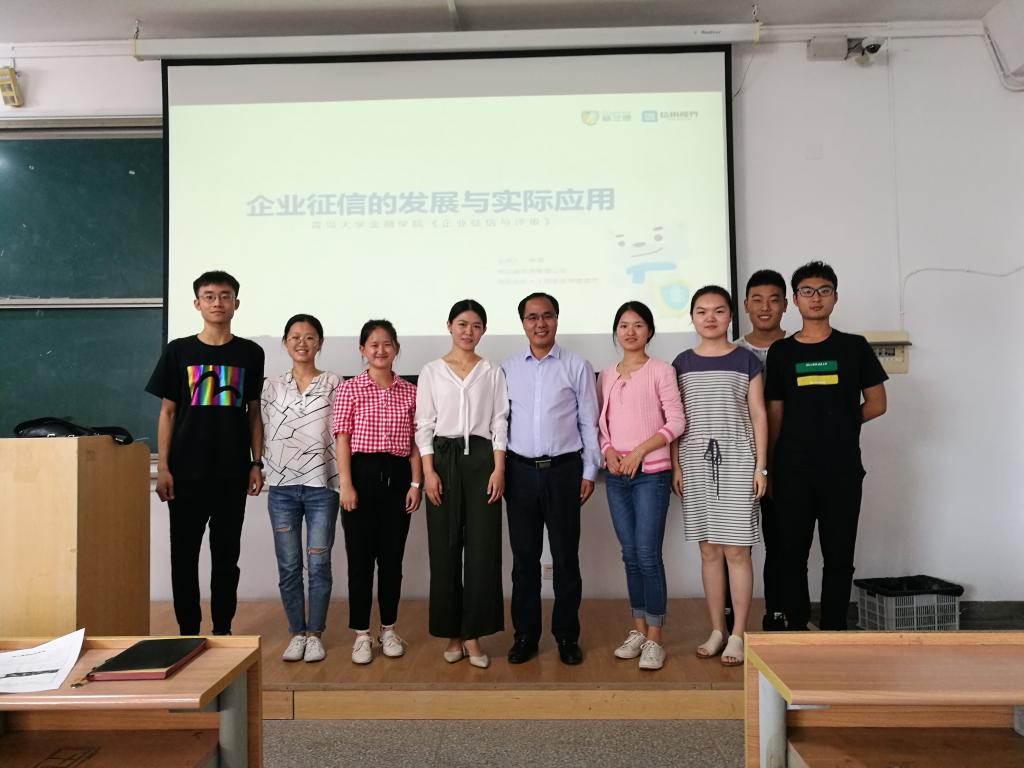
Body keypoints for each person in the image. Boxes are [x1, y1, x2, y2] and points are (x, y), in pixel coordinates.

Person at [766, 261, 888, 631]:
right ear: (795, 300)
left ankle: (834, 629)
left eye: (824, 291)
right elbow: (775, 413)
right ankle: (798, 627)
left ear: (835, 297)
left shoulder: (854, 347)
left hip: (842, 470)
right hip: (792, 470)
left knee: (839, 556)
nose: (815, 298)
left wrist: (842, 424)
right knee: (791, 555)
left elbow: (877, 403)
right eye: (807, 291)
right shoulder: (782, 352)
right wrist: (768, 466)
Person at [146, 270, 264, 636]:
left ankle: (223, 629)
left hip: (232, 472)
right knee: (184, 557)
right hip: (185, 473)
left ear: (236, 303)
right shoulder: (178, 350)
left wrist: (256, 462)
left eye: (225, 296)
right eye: (209, 296)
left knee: (227, 558)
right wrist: (164, 468)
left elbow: (254, 412)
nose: (217, 302)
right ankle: (188, 632)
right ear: (197, 303)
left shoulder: (250, 353)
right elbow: (167, 413)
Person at [501, 292, 600, 666]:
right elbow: (500, 424)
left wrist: (589, 471)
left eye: (547, 316)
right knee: (524, 561)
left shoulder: (576, 366)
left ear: (557, 319)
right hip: (520, 474)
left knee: (565, 558)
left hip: (564, 472)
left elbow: (588, 422)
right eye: (532, 317)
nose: (540, 323)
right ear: (523, 323)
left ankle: (567, 636)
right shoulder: (508, 369)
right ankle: (525, 636)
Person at [672, 286, 767, 667]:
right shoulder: (681, 363)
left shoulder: (747, 360)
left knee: (737, 551)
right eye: (701, 311)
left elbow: (758, 414)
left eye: (718, 310)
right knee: (709, 550)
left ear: (730, 315)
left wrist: (761, 466)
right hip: (695, 461)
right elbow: (674, 419)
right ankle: (717, 630)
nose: (710, 318)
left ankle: (739, 634)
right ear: (692, 317)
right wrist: (676, 465)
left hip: (739, 461)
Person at [415, 299, 509, 669]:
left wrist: (499, 468)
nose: (468, 331)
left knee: (483, 550)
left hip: (483, 459)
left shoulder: (491, 371)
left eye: (476, 325)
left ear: (483, 330)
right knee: (445, 547)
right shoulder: (432, 371)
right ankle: (452, 632)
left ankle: (473, 634)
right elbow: (424, 424)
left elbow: (499, 420)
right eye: (462, 324)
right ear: (449, 326)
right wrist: (428, 472)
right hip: (442, 458)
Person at [597, 301, 685, 671]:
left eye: (638, 325)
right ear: (615, 332)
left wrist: (638, 452)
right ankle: (637, 631)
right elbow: (601, 424)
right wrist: (608, 451)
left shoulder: (661, 370)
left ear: (649, 331)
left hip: (650, 474)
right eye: (623, 325)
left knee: (648, 555)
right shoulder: (606, 374)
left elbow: (676, 421)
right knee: (630, 555)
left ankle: (655, 639)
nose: (630, 331)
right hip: (617, 477)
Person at [332, 320, 422, 665]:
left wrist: (415, 484)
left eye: (387, 344)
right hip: (360, 475)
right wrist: (346, 484)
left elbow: (415, 443)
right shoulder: (350, 389)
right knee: (360, 561)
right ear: (362, 350)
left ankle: (388, 630)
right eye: (373, 345)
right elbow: (342, 439)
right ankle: (361, 634)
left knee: (391, 560)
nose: (380, 350)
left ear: (396, 348)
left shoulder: (410, 391)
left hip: (398, 478)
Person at [260, 314, 340, 663]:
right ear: (285, 342)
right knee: (289, 566)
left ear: (319, 343)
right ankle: (297, 633)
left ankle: (315, 634)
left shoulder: (334, 383)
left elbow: (342, 433)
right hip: (281, 488)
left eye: (309, 337)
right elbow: (258, 427)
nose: (302, 343)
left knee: (319, 564)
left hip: (323, 485)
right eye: (295, 337)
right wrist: (255, 465)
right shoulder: (271, 386)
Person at [733, 269, 789, 632]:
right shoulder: (731, 351)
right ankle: (730, 618)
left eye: (773, 300)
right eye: (757, 299)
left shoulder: (799, 346)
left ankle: (777, 611)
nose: (765, 307)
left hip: (787, 459)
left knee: (781, 540)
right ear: (746, 305)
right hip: (738, 460)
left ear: (786, 305)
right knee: (736, 542)